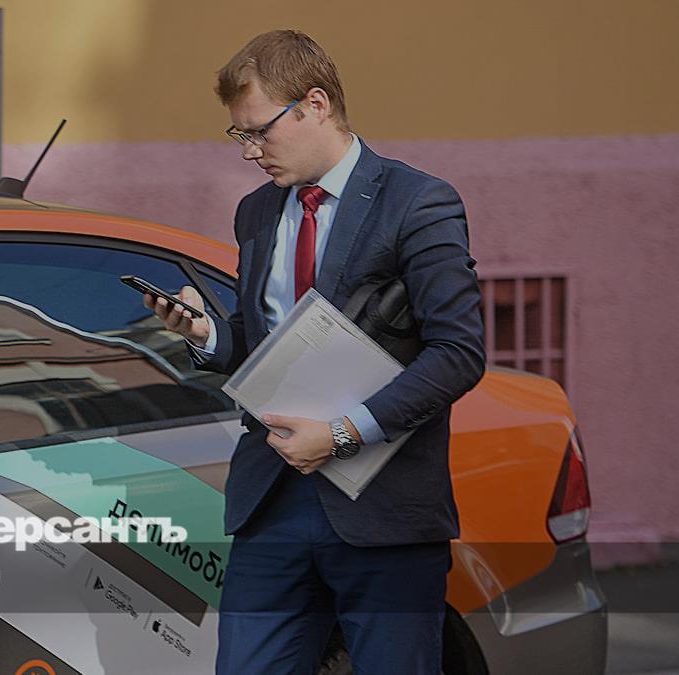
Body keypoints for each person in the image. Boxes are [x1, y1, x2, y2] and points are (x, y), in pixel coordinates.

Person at [146, 30, 485, 674]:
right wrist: (207, 335)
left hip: (383, 507)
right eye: (238, 135)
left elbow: (458, 352)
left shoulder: (417, 202)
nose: (249, 151)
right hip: (273, 498)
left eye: (259, 131)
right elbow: (266, 341)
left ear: (315, 104)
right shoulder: (255, 213)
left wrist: (342, 433)